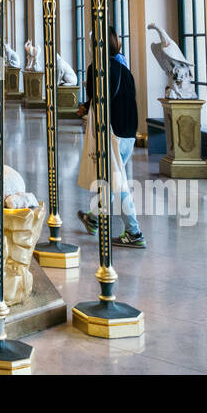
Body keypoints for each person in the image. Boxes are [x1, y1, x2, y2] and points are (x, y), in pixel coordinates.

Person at [76, 27, 145, 248]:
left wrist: (84, 108)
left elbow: (95, 98)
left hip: (112, 133)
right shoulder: (125, 69)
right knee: (107, 180)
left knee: (118, 183)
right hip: (128, 134)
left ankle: (134, 232)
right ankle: (94, 219)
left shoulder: (95, 68)